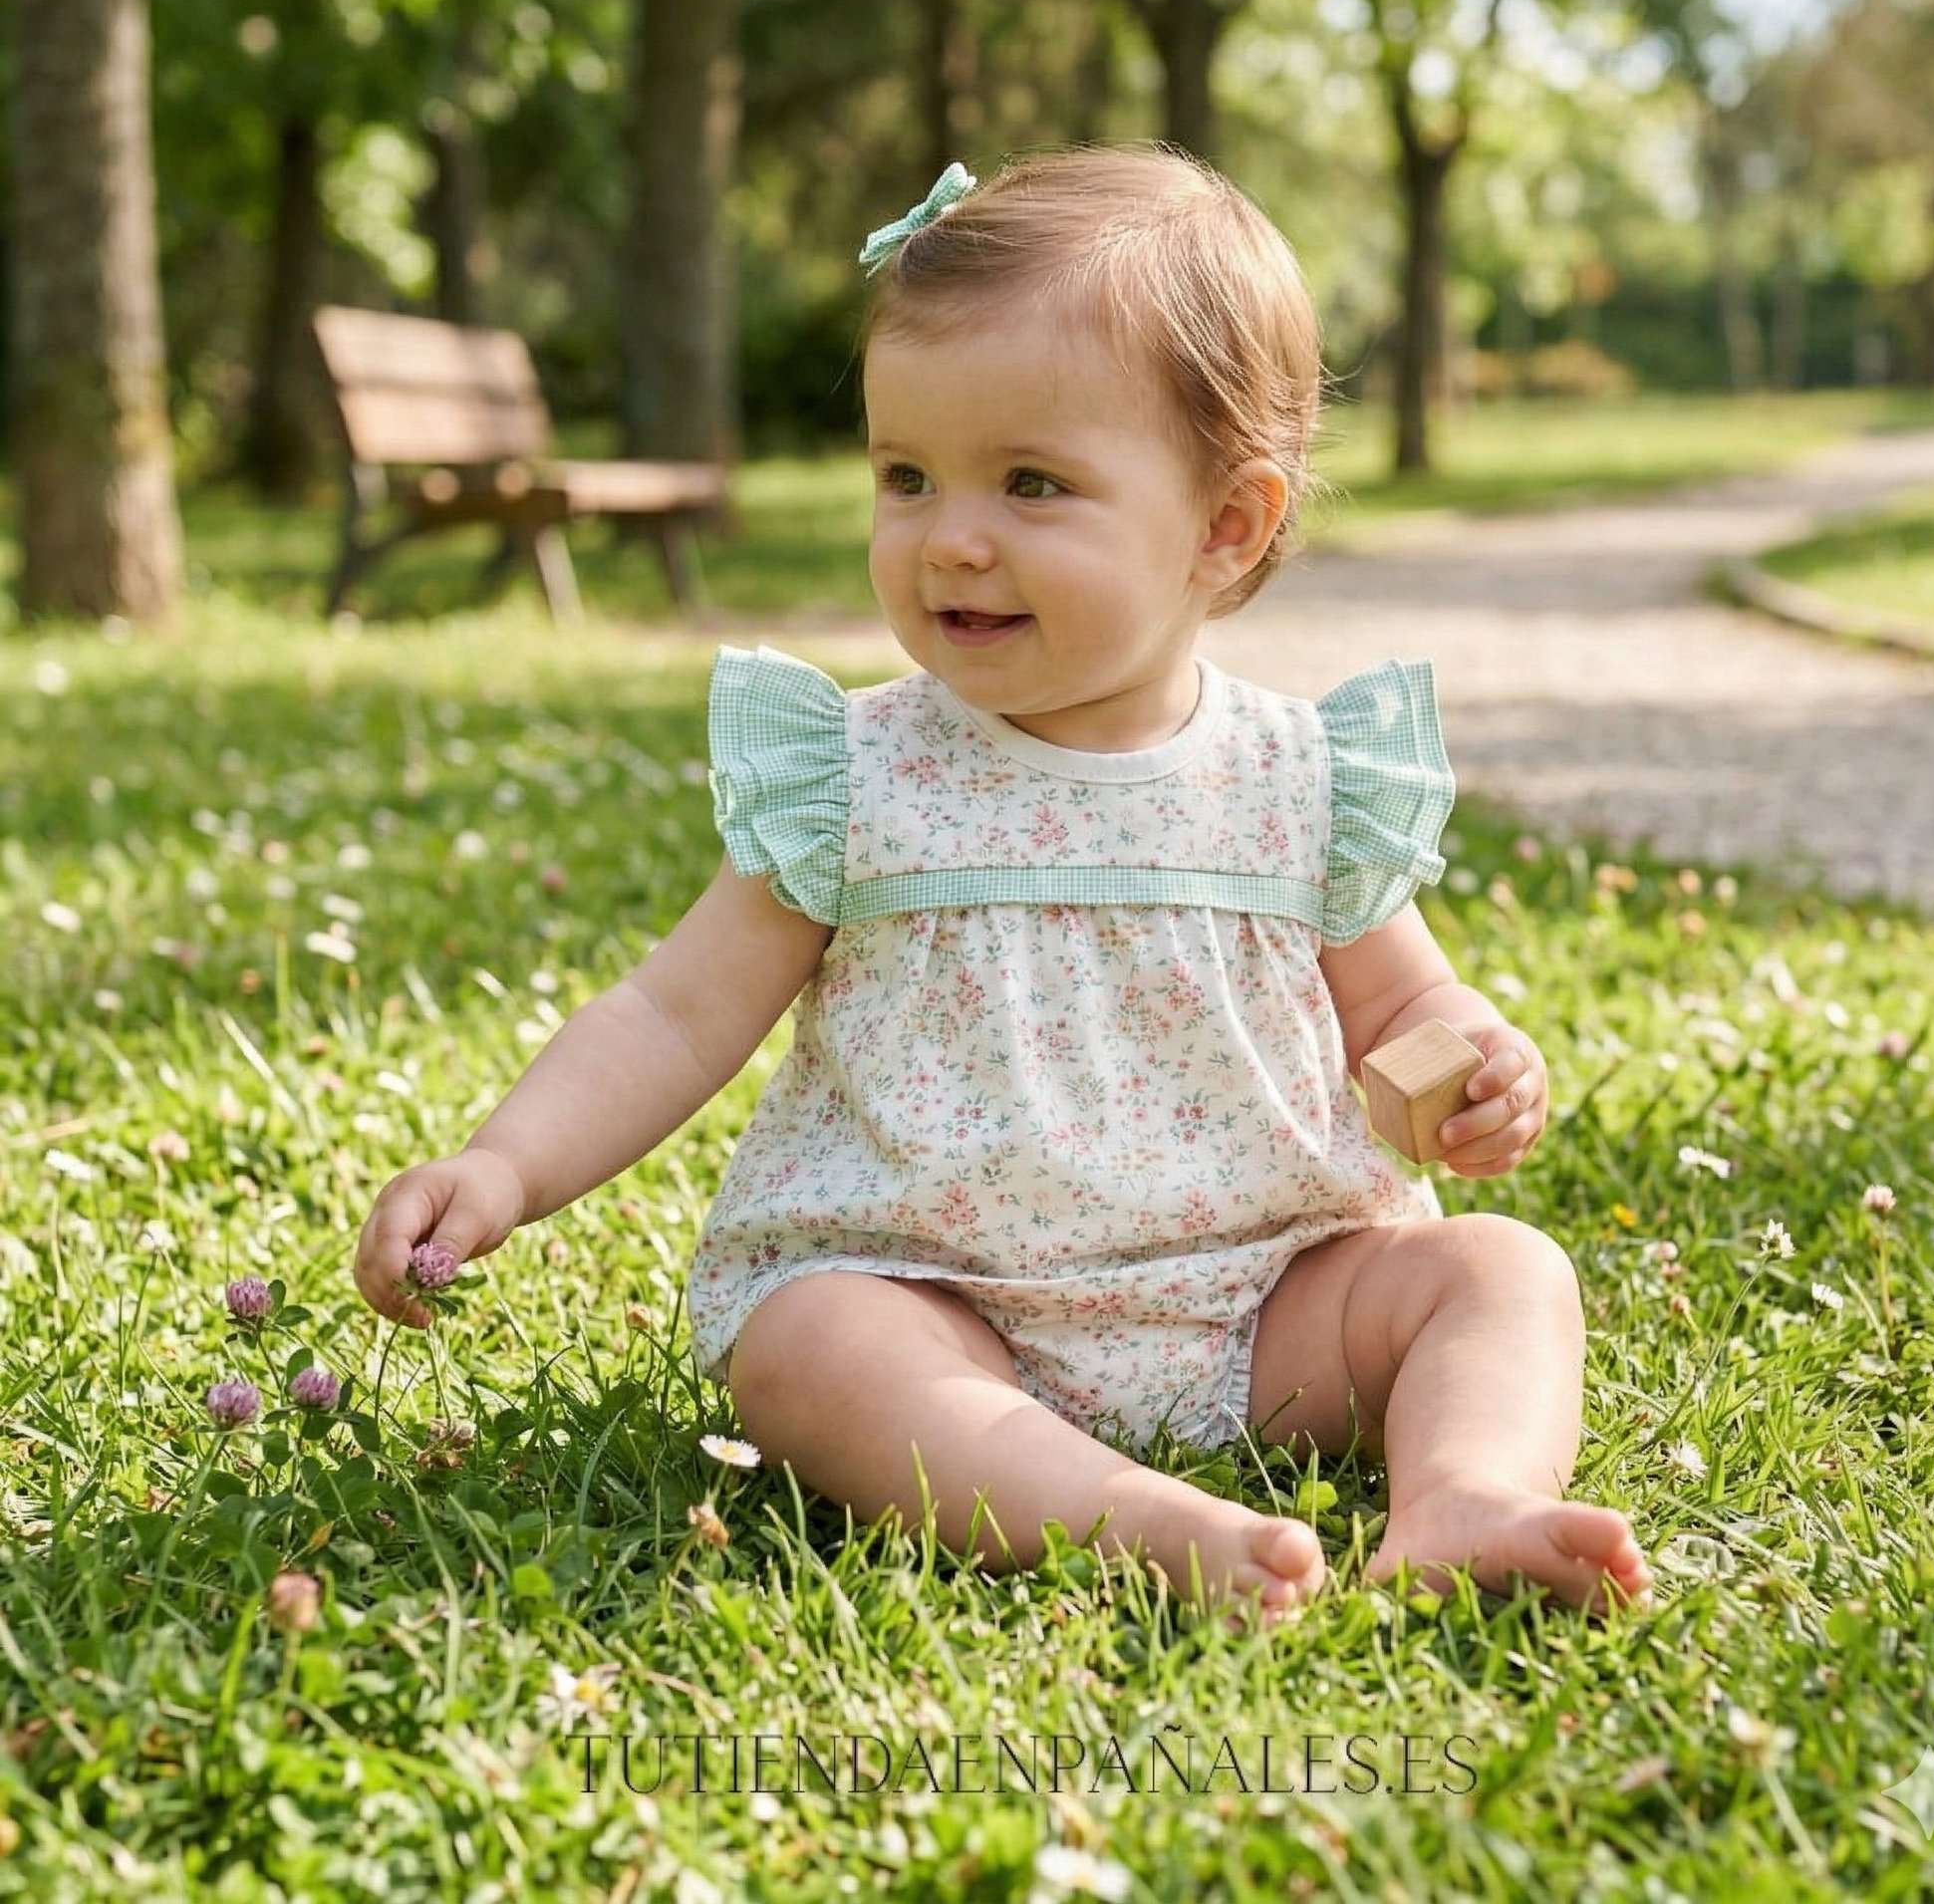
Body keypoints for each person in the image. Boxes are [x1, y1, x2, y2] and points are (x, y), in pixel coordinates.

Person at [353, 143, 1653, 1629]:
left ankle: (1463, 1497)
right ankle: (1123, 1522)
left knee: (1501, 1272)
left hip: (1268, 1298)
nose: (949, 536)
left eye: (1032, 483)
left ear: (1226, 525)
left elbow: (1405, 1008)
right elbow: (669, 1015)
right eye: (906, 477)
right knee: (809, 1346)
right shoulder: (853, 773)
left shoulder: (1304, 780)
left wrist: (1469, 1070)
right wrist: (507, 1165)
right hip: (939, 1300)